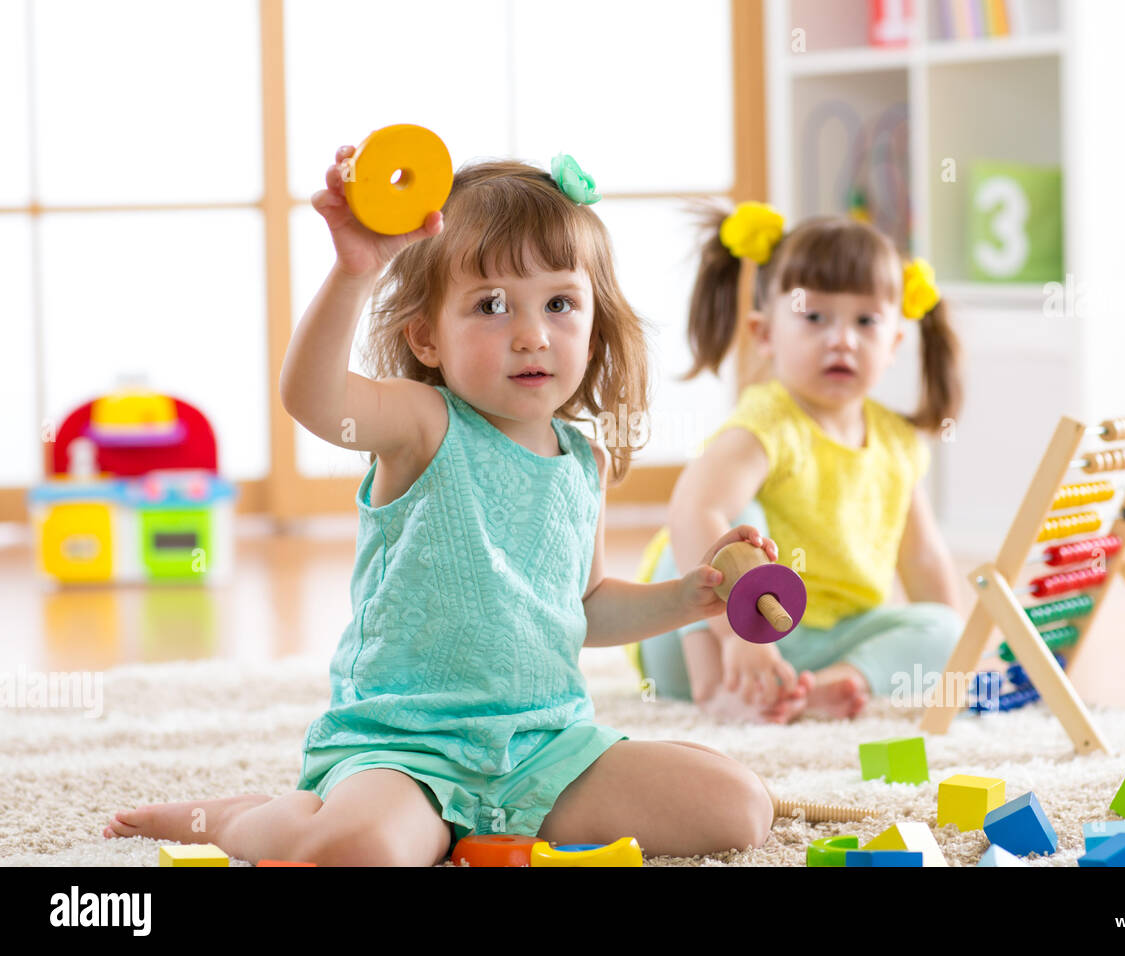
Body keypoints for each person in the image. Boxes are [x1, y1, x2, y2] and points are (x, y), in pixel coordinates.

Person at [103, 150, 775, 864]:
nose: (531, 334)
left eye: (559, 304)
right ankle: (244, 818)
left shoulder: (584, 461)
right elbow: (313, 398)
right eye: (492, 306)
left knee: (739, 805)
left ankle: (484, 829)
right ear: (426, 336)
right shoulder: (423, 424)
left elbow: (585, 604)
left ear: (594, 325)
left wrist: (690, 596)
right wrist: (354, 273)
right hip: (407, 750)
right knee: (355, 850)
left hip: (545, 750)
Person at [630, 202, 965, 724]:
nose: (842, 339)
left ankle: (817, 690)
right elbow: (691, 512)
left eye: (866, 321)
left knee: (945, 629)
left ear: (895, 341)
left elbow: (924, 563)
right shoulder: (768, 421)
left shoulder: (898, 444)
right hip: (705, 635)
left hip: (811, 644)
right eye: (814, 317)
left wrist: (956, 659)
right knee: (737, 529)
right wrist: (741, 631)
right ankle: (719, 692)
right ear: (765, 334)